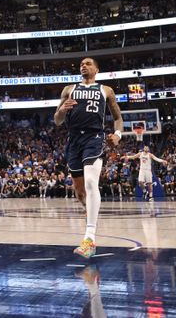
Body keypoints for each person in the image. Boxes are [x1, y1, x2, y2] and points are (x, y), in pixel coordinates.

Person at [54, 57, 123, 259]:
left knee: (92, 183)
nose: (84, 66)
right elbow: (57, 121)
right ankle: (90, 211)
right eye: (81, 64)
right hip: (73, 140)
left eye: (88, 63)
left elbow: (118, 118)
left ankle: (89, 238)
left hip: (95, 137)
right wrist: (62, 110)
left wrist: (117, 136)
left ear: (96, 69)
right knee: (80, 191)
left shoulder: (106, 90)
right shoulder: (68, 89)